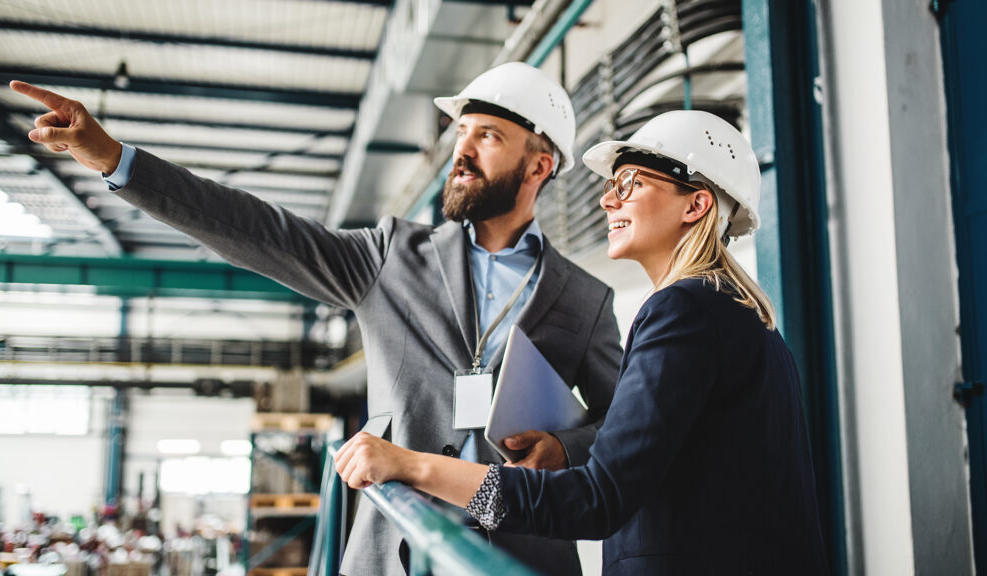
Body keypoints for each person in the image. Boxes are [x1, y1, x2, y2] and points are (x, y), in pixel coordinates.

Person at [10, 61, 623, 576]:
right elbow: (254, 228)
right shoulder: (390, 256)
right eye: (461, 131)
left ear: (539, 166)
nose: (461, 149)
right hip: (396, 549)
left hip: (522, 549)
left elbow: (623, 425)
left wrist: (566, 449)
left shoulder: (583, 296)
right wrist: (116, 160)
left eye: (487, 135)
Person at [334, 110, 831, 575]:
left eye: (629, 183)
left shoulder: (683, 313)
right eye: (612, 185)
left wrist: (414, 465)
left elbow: (595, 502)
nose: (607, 200)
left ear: (696, 204)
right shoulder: (742, 316)